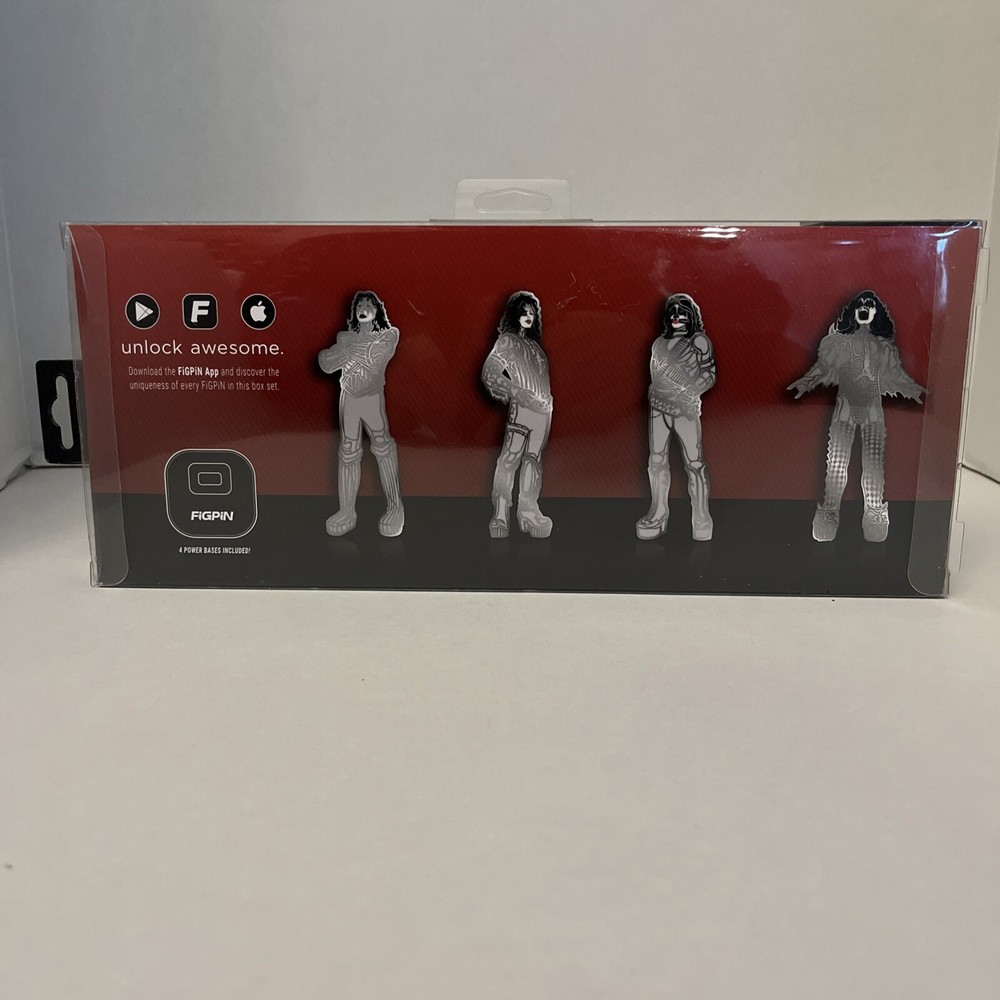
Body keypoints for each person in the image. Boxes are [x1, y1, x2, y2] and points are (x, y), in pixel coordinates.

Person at [788, 290, 924, 542]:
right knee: (837, 464)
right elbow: (823, 368)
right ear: (853, 312)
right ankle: (829, 512)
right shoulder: (839, 343)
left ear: (875, 313)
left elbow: (896, 375)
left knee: (873, 464)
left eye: (870, 304)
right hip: (845, 409)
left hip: (872, 411)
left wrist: (914, 390)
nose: (865, 306)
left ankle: (874, 511)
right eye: (860, 304)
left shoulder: (884, 348)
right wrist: (806, 382)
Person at [317, 291, 404, 537]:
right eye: (359, 305)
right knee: (348, 450)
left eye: (369, 304)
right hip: (349, 397)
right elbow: (325, 363)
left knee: (383, 444)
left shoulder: (389, 334)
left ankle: (395, 507)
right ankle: (347, 511)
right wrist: (342, 352)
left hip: (371, 397)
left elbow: (374, 358)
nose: (363, 308)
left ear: (377, 311)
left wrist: (345, 352)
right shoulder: (346, 337)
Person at [636, 293, 717, 541]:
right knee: (656, 461)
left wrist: (692, 390)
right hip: (658, 408)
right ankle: (658, 513)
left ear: (691, 317)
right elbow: (654, 373)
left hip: (686, 410)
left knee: (694, 463)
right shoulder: (659, 344)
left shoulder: (699, 342)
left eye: (682, 313)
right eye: (673, 313)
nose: (677, 317)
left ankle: (701, 516)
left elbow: (710, 374)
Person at [481, 291, 553, 538]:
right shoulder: (507, 342)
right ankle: (501, 512)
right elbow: (490, 373)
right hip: (522, 408)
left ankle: (528, 510)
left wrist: (546, 403)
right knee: (510, 459)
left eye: (532, 312)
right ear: (514, 314)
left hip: (543, 411)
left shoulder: (535, 347)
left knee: (533, 460)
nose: (528, 316)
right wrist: (518, 393)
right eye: (523, 312)